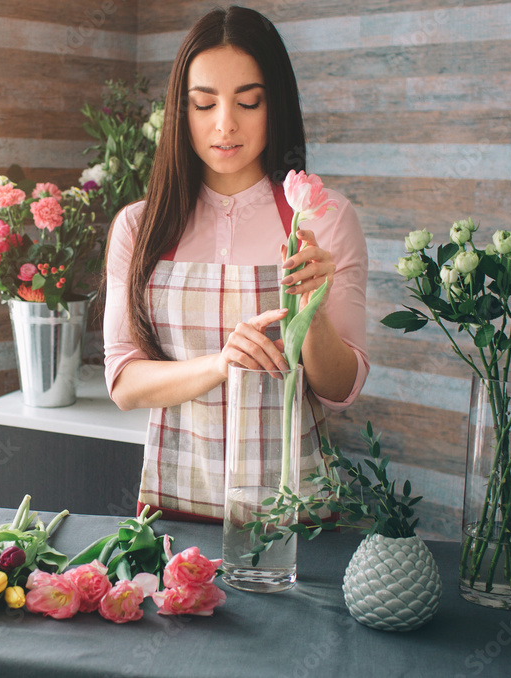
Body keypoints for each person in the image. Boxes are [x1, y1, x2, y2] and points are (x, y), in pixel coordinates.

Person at [103, 5, 368, 522]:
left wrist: (309, 313)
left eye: (248, 101)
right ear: (182, 112)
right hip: (171, 514)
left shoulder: (322, 218)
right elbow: (124, 382)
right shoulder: (138, 228)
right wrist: (220, 365)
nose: (225, 125)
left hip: (296, 523)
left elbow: (342, 389)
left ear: (277, 105)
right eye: (204, 105)